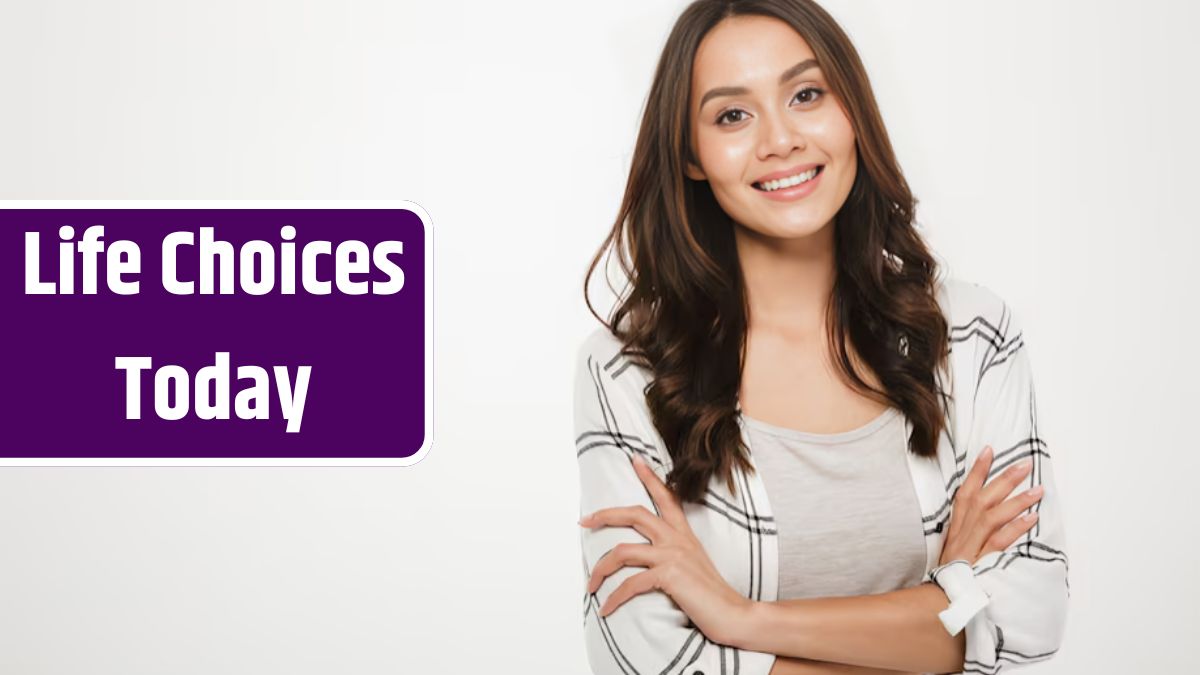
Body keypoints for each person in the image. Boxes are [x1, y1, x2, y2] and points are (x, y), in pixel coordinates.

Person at [573, 1, 1069, 674]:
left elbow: (1028, 613)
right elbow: (649, 659)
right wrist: (939, 613)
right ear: (692, 155)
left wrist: (739, 618)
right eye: (732, 115)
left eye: (806, 94)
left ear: (852, 111)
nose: (780, 140)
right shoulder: (628, 374)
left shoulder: (971, 338)